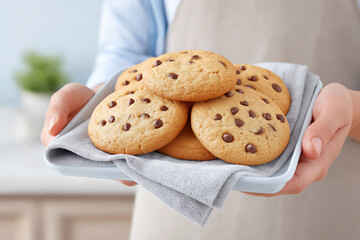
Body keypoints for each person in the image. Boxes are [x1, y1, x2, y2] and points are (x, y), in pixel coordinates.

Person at [41, 0, 360, 239]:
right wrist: (97, 100)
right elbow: (125, 60)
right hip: (169, 206)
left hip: (325, 211)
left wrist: (353, 110)